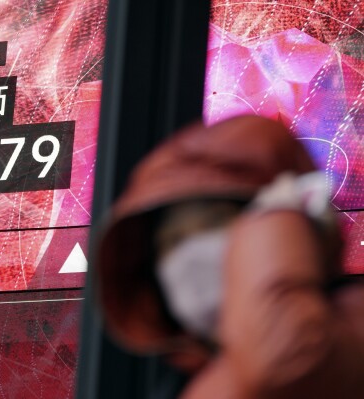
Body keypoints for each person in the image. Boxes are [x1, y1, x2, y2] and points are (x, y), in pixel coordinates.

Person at [96, 115, 364, 398]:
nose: (190, 254)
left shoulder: (345, 325)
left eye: (213, 222)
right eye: (172, 241)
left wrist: (281, 220)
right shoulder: (189, 382)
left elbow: (287, 361)